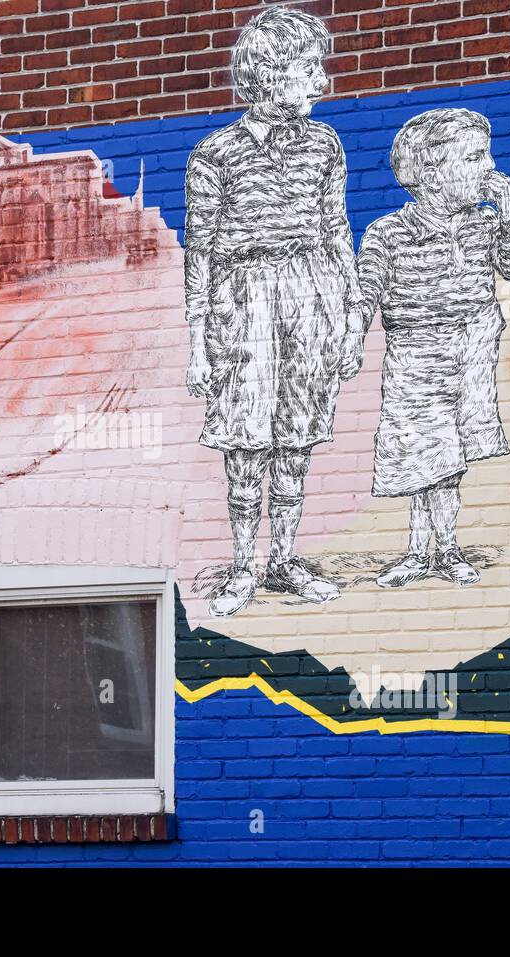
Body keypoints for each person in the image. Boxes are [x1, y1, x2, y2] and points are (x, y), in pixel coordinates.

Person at [184, 7, 361, 617]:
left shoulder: (325, 145)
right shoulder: (217, 154)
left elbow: (338, 232)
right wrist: (197, 344)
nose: (321, 81)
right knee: (245, 440)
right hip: (244, 300)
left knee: (296, 439)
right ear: (268, 73)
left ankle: (282, 559)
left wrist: (348, 318)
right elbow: (200, 254)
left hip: (309, 293)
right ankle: (242, 566)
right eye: (308, 68)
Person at [345, 108, 510, 588]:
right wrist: (352, 336)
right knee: (425, 453)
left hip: (472, 347)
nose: (487, 166)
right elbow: (365, 293)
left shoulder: (482, 224)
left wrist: (509, 221)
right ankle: (419, 552)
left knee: (452, 460)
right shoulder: (388, 233)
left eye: (486, 154)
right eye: (473, 157)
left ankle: (440, 549)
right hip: (416, 353)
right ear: (432, 174)